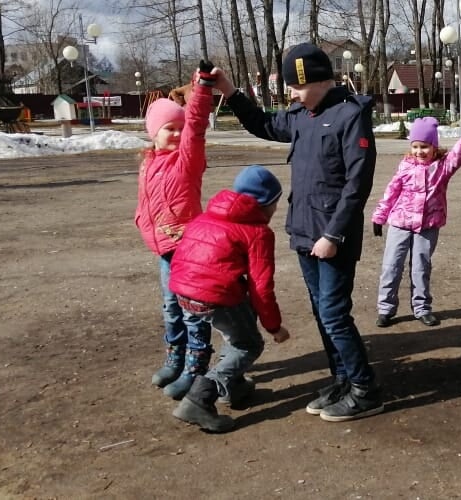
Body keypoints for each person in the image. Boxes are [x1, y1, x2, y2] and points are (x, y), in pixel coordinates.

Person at [211, 43, 383, 422]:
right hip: (305, 232)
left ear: (317, 81)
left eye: (294, 85)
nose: (289, 92)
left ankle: (365, 388)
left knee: (336, 315)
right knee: (323, 313)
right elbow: (263, 124)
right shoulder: (301, 115)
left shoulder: (349, 115)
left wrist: (334, 235)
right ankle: (341, 379)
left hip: (331, 239)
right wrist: (230, 92)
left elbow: (358, 182)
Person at [171, 165, 291, 432]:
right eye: (275, 204)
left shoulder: (204, 217)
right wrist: (274, 327)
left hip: (183, 291)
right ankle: (200, 398)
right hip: (214, 295)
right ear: (266, 204)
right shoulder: (258, 232)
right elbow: (262, 287)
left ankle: (233, 387)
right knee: (248, 345)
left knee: (236, 328)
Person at [134, 62, 216, 400]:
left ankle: (195, 368)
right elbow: (145, 202)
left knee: (191, 311)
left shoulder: (187, 159)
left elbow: (195, 126)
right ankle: (176, 357)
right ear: (153, 132)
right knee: (170, 306)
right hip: (163, 250)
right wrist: (141, 221)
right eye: (169, 128)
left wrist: (201, 89)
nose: (178, 134)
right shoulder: (149, 162)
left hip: (186, 248)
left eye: (179, 127)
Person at [371, 117, 461, 328]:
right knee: (391, 267)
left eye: (424, 147)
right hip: (400, 223)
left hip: (428, 225)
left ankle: (422, 308)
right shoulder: (405, 166)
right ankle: (386, 308)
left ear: (434, 147)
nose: (419, 151)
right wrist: (379, 216)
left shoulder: (442, 167)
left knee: (421, 267)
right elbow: (391, 191)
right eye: (415, 146)